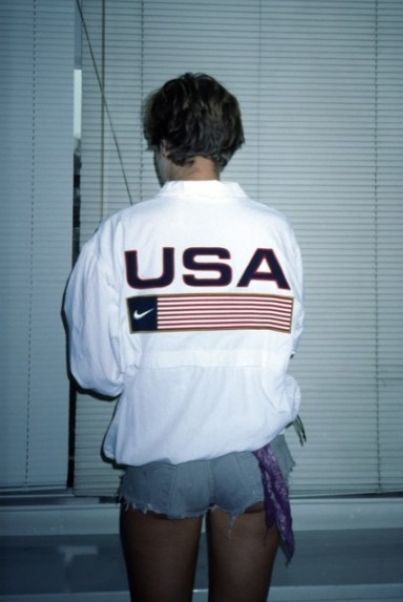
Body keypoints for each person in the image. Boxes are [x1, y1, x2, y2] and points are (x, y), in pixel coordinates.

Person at [63, 72, 304, 602]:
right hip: (252, 460)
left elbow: (97, 374)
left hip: (163, 455)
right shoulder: (274, 231)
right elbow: (285, 339)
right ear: (226, 145)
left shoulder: (119, 234)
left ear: (165, 144)